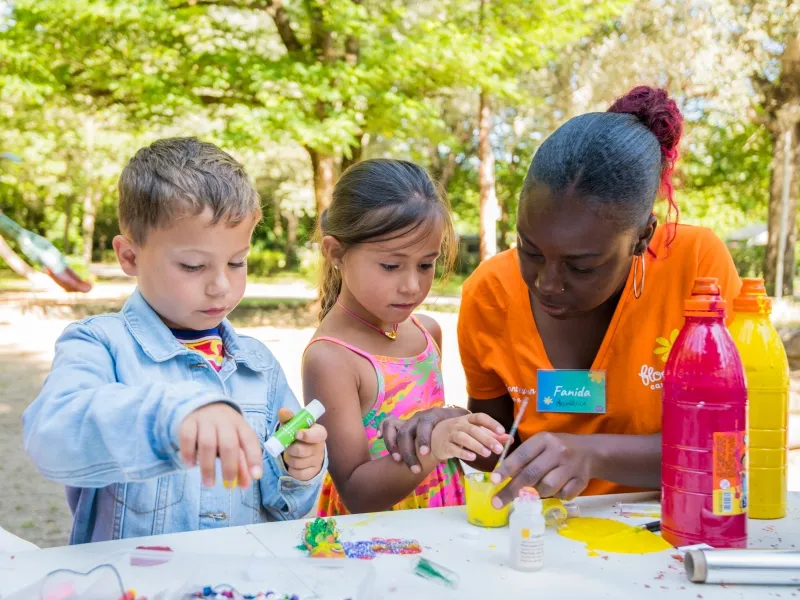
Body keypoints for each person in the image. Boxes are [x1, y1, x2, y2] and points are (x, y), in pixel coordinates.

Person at [380, 86, 741, 507]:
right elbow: (503, 448)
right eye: (530, 251)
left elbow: (728, 446)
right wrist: (456, 428)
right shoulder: (490, 292)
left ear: (643, 236)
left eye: (581, 266)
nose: (548, 283)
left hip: (675, 527)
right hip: (542, 539)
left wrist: (594, 455)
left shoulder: (697, 271)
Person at [22, 138, 327, 544]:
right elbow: (52, 437)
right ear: (129, 257)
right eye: (193, 265)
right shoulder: (98, 344)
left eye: (237, 262)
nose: (221, 286)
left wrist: (298, 467)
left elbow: (283, 499)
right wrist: (174, 416)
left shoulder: (260, 365)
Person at [302, 159, 508, 516]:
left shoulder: (427, 332)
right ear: (336, 253)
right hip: (375, 542)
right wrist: (437, 445)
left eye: (426, 265)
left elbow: (433, 418)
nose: (412, 286)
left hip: (441, 518)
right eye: (391, 266)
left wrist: (454, 419)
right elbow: (357, 492)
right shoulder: (331, 358)